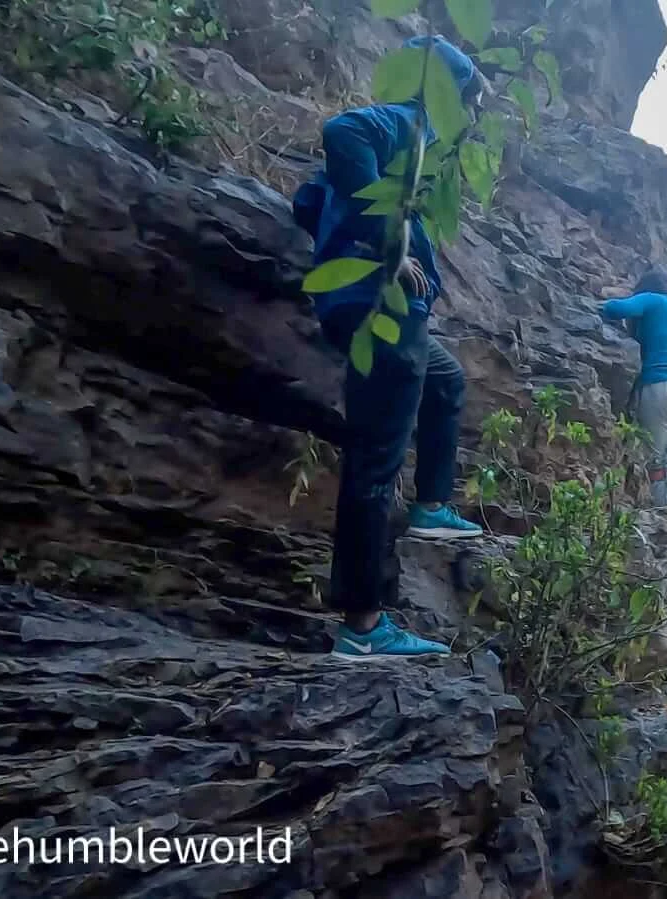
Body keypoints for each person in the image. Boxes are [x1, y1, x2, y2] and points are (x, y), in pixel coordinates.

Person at [293, 35, 486, 661]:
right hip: (381, 308)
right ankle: (364, 625)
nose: (472, 114)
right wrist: (388, 247)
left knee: (447, 380)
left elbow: (307, 202)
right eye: (469, 99)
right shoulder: (409, 123)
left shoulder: (408, 154)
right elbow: (341, 131)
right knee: (375, 462)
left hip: (383, 313)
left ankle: (431, 504)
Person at [598, 267, 667, 508]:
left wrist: (606, 299)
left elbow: (616, 309)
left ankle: (661, 510)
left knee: (655, 457)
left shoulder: (652, 299)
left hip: (661, 384)